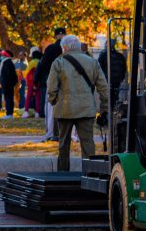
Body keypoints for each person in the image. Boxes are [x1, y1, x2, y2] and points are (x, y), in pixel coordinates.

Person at [47, 35, 108, 172]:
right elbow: (103, 87)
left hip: (64, 109)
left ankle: (63, 173)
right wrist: (104, 107)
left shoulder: (58, 62)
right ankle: (90, 173)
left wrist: (54, 101)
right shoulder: (92, 62)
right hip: (86, 108)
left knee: (63, 144)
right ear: (79, 46)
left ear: (64, 47)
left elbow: (51, 87)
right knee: (88, 143)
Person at [0, 49, 18, 116]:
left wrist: (8, 84)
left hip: (8, 85)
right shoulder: (6, 62)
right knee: (7, 98)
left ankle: (9, 113)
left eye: (2, 55)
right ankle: (8, 112)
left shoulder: (7, 63)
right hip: (7, 85)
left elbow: (9, 75)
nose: (1, 56)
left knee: (9, 98)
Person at [23, 48, 42, 117]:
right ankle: (37, 112)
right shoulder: (41, 61)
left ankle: (26, 112)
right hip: (39, 82)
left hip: (31, 82)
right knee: (38, 97)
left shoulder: (32, 62)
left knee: (28, 97)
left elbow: (26, 73)